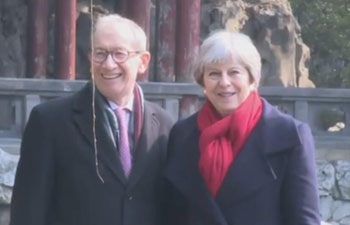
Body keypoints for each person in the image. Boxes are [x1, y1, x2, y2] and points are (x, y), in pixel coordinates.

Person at [10, 14, 173, 225]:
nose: (108, 64)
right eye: (100, 54)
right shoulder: (50, 122)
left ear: (143, 61)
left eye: (119, 54)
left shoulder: (165, 126)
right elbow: (28, 212)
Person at [163, 31, 320, 225]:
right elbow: (171, 213)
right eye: (214, 73)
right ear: (202, 81)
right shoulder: (183, 134)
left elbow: (304, 219)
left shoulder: (289, 135)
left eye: (234, 72)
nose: (224, 82)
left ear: (252, 79)